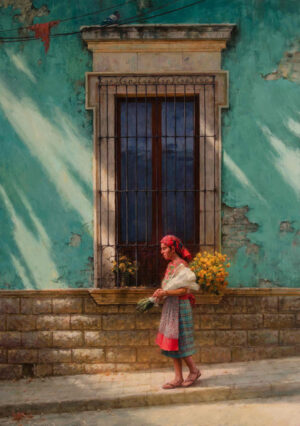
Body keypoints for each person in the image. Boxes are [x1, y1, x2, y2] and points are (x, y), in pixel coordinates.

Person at [153, 235, 201, 389]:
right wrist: (161, 292)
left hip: (180, 307)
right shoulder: (170, 266)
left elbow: (184, 289)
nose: (162, 252)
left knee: (181, 342)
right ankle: (178, 377)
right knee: (173, 342)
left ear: (173, 249)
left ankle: (194, 371)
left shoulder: (182, 266)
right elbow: (169, 287)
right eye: (161, 249)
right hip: (171, 307)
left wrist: (166, 293)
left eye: (164, 248)